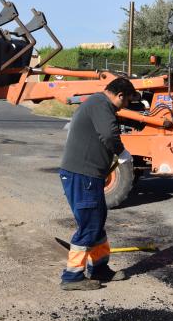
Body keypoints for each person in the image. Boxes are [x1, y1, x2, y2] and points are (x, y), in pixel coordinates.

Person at [58, 77, 138, 291]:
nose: (126, 107)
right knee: (89, 224)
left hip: (86, 176)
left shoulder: (97, 104)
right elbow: (108, 133)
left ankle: (100, 268)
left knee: (97, 219)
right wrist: (121, 151)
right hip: (82, 176)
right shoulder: (101, 104)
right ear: (120, 95)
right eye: (127, 101)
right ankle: (72, 276)